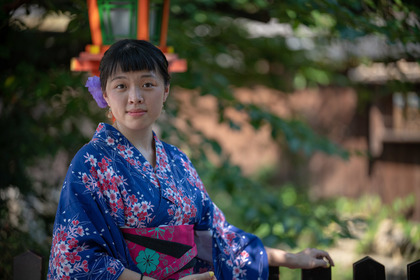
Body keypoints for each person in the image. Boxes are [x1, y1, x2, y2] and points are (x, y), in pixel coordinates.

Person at [47, 39, 334, 280]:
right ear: (105, 95)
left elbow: (218, 237)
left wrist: (289, 258)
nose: (135, 97)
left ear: (166, 90)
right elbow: (74, 256)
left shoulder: (177, 161)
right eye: (121, 86)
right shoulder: (92, 162)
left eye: (148, 84)